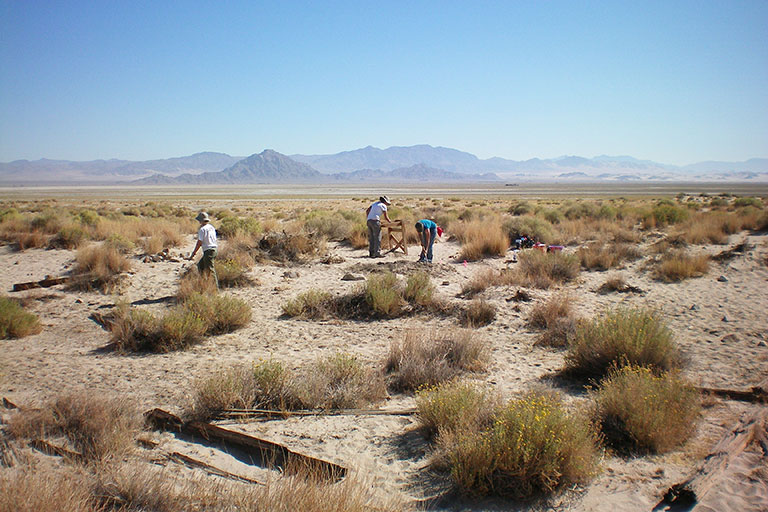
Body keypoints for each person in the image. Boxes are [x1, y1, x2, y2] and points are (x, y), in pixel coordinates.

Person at [188, 211, 218, 288]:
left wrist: (194, 253)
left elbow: (199, 242)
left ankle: (215, 288)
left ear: (200, 220)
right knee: (201, 265)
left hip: (208, 250)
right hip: (214, 249)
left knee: (210, 270)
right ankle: (205, 283)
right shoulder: (211, 227)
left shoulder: (202, 229)